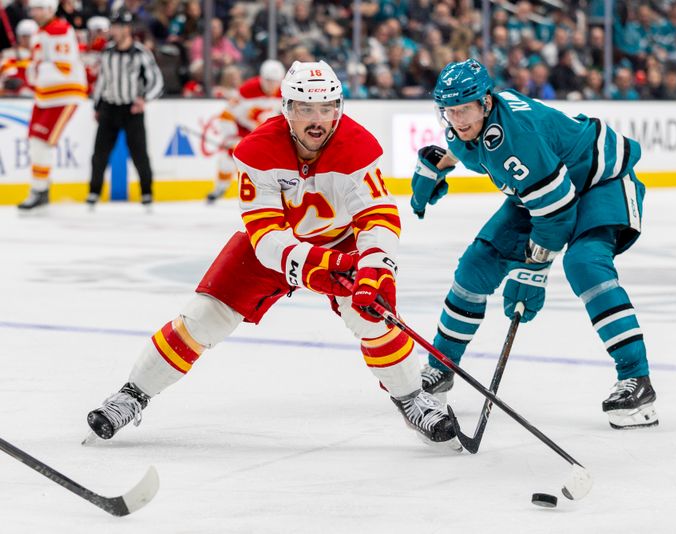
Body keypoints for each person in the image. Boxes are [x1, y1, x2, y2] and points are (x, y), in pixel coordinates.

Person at [85, 61, 460, 450]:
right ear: (287, 108)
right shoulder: (256, 150)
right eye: (306, 108)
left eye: (327, 108)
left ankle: (412, 398)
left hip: (344, 243)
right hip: (277, 246)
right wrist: (323, 267)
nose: (318, 120)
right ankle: (132, 394)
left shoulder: (358, 146)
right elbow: (266, 240)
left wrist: (374, 269)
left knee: (378, 318)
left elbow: (378, 218)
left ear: (339, 108)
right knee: (202, 318)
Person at [410, 59, 658, 430]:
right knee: (475, 267)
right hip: (545, 190)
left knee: (585, 263)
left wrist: (533, 271)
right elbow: (470, 149)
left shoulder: (516, 139)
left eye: (464, 109)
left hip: (601, 180)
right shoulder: (467, 126)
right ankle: (442, 366)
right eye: (449, 110)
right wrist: (438, 163)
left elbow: (556, 214)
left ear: (486, 103)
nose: (457, 119)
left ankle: (637, 379)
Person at [86, 9, 164, 209]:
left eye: (117, 26)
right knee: (99, 154)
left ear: (127, 29)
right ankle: (94, 192)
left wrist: (143, 99)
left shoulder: (140, 53)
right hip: (109, 108)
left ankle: (146, 193)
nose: (112, 30)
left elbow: (156, 81)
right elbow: (102, 82)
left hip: (131, 111)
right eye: (112, 26)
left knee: (139, 154)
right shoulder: (108, 52)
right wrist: (97, 105)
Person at [17, 0, 87, 212]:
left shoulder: (59, 29)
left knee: (42, 142)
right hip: (45, 96)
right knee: (36, 141)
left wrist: (36, 70)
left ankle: (39, 190)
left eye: (38, 8)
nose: (34, 12)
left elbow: (63, 67)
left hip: (63, 95)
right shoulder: (42, 31)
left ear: (49, 8)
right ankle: (41, 188)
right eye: (33, 8)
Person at [206, 59, 284, 204]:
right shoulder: (247, 91)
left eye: (275, 81)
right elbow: (226, 115)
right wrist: (231, 137)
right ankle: (220, 188)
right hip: (243, 130)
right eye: (267, 80)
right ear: (261, 77)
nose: (271, 85)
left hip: (265, 132)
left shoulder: (284, 92)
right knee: (227, 160)